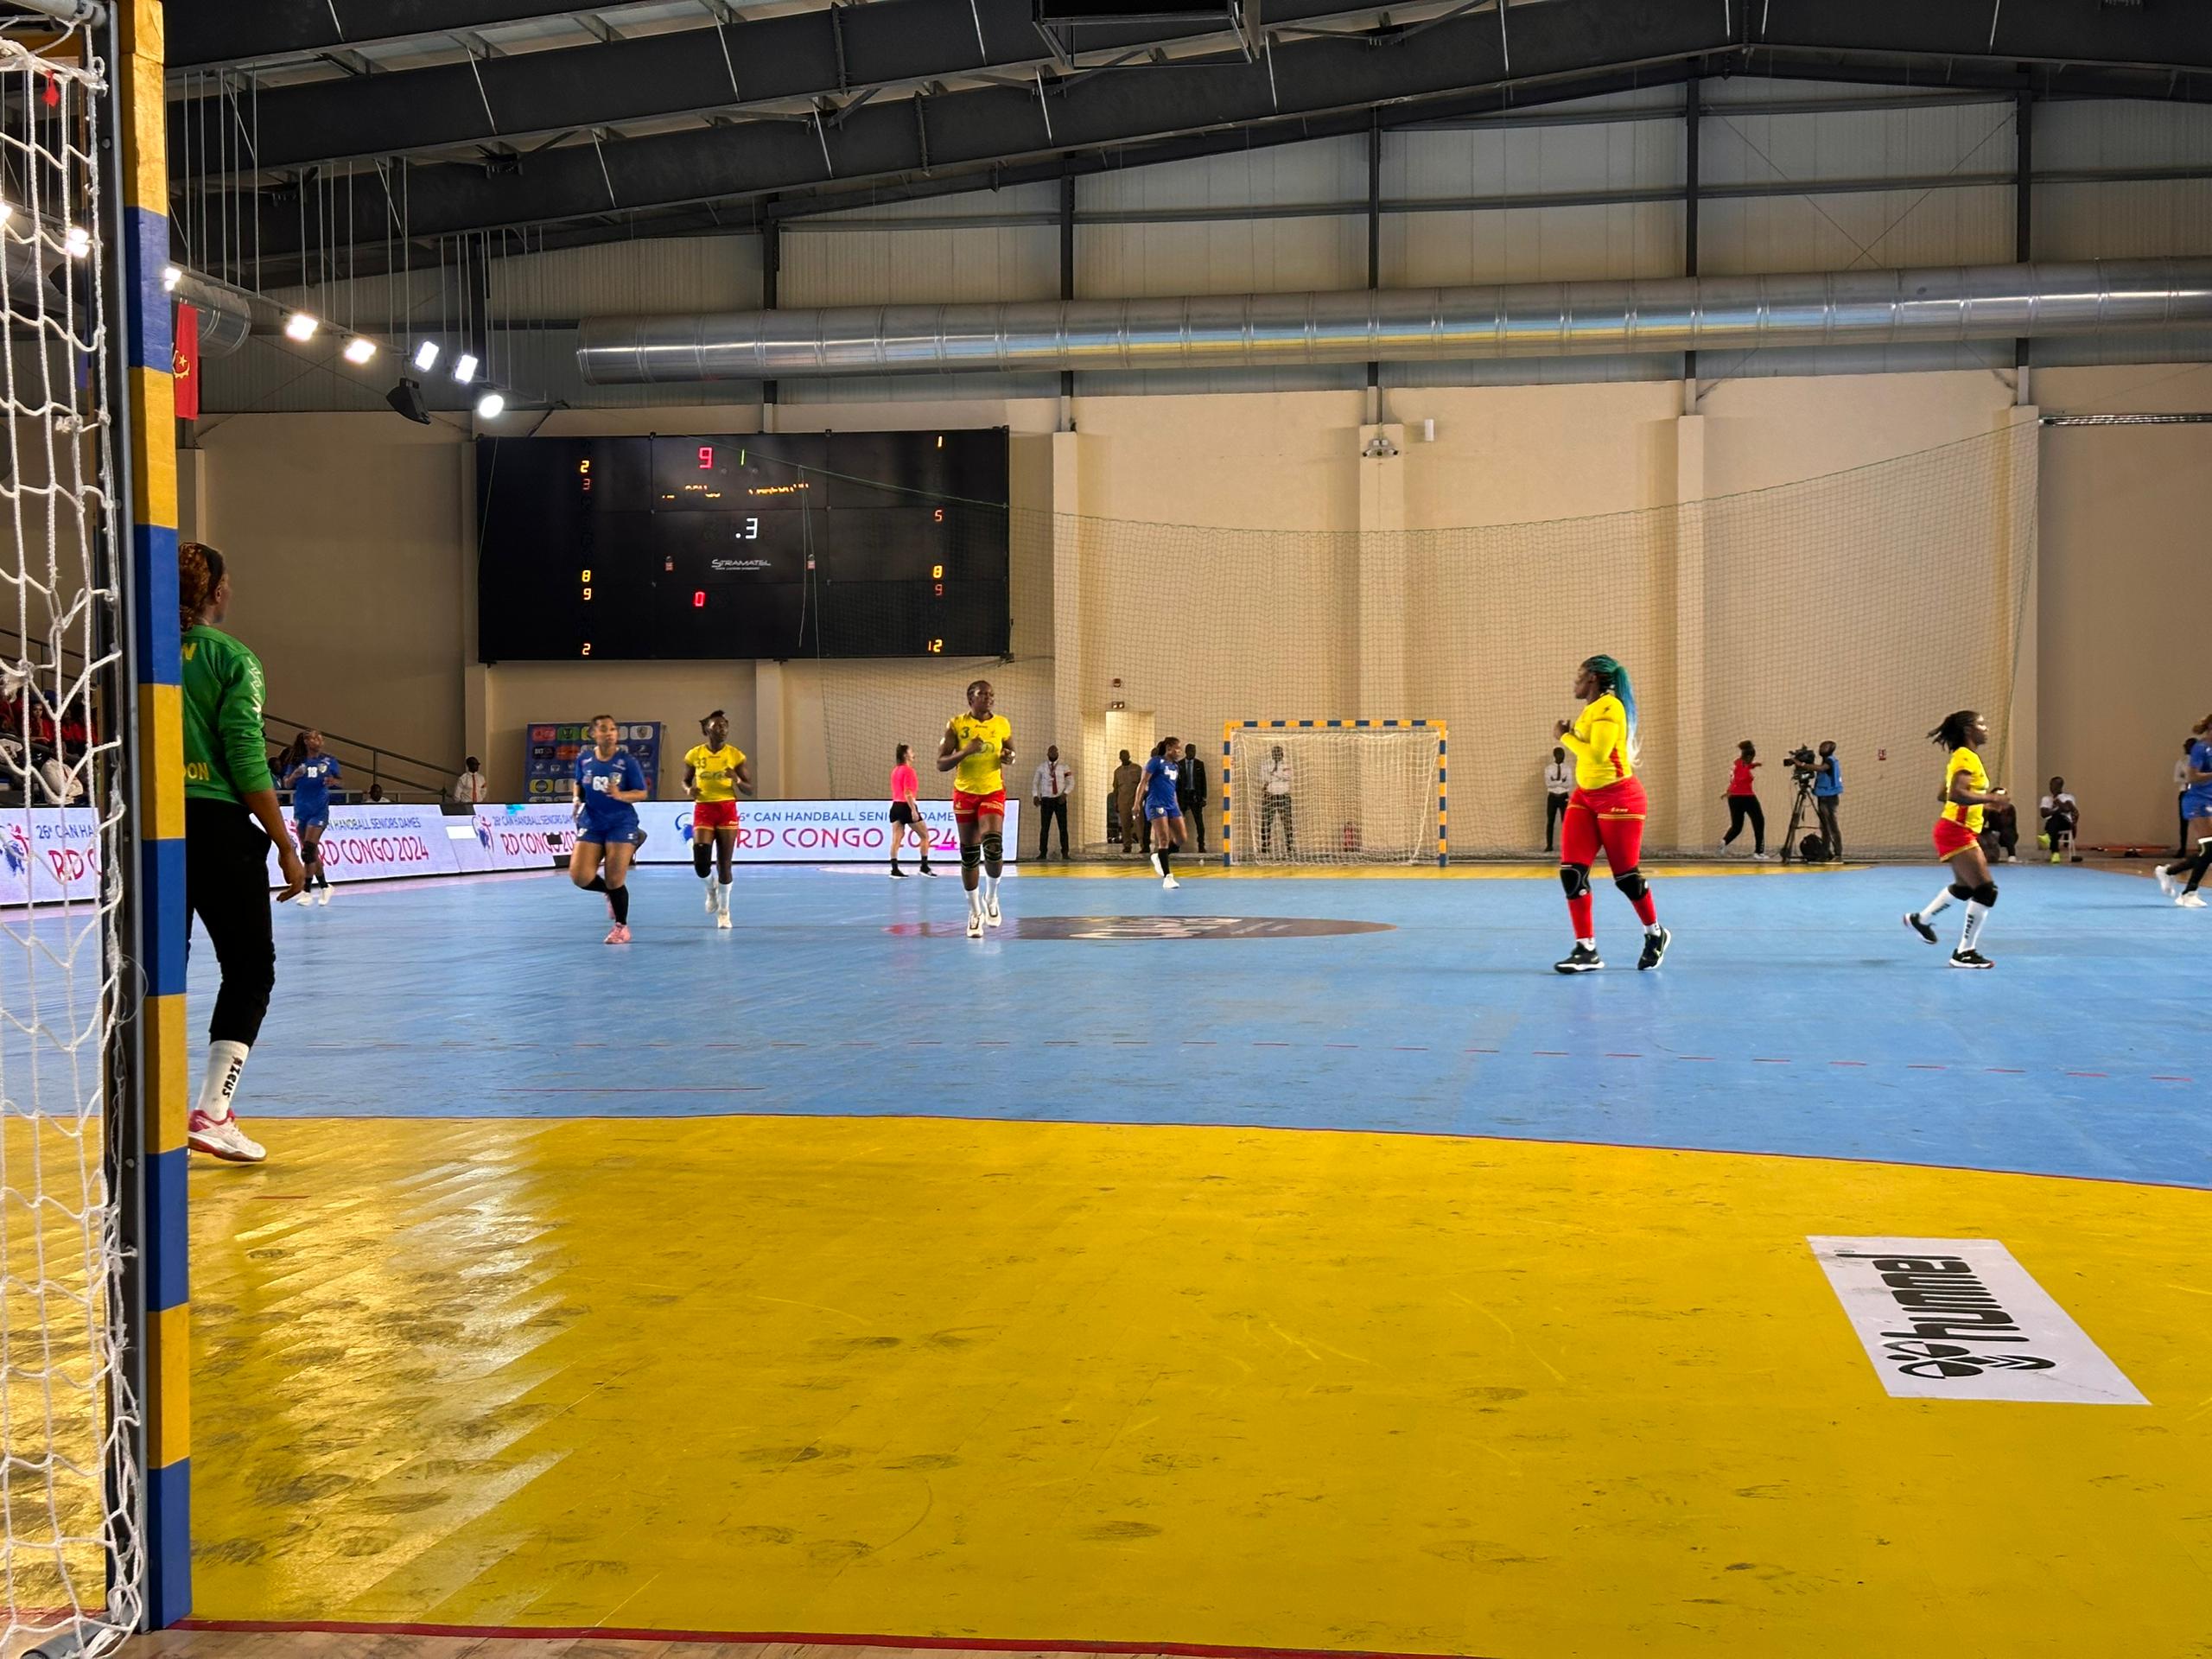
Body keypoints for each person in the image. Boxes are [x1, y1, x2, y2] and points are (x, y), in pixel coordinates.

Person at [179, 541, 307, 1164]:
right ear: (218, 592)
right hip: (216, 825)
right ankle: (212, 1111)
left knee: (155, 972)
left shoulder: (137, 655)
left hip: (148, 826)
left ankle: (137, 1107)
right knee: (251, 970)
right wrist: (285, 845)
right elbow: (246, 758)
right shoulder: (233, 659)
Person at [1553, 653, 1668, 973]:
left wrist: (1564, 737)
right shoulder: (1591, 709)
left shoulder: (1609, 707)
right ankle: (1586, 949)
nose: (1574, 681)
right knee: (1572, 872)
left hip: (1620, 797)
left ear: (1592, 677)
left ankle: (1654, 934)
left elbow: (1598, 754)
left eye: (1579, 675)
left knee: (1626, 877)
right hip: (1585, 797)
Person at [1903, 710, 2007, 968]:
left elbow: (1945, 794)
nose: (1987, 728)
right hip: (1955, 829)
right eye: (1981, 724)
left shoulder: (1963, 758)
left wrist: (1981, 805)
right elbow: (1957, 794)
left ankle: (1922, 919)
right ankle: (1964, 953)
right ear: (1968, 730)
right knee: (1985, 890)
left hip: (1957, 827)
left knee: (1965, 888)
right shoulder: (1965, 756)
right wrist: (1991, 798)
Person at [938, 678, 1014, 939]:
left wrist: (1008, 757)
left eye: (992, 694)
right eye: (983, 694)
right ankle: (974, 912)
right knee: (969, 855)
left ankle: (992, 896)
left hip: (992, 790)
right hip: (965, 793)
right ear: (971, 698)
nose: (989, 698)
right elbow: (941, 763)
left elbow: (1011, 753)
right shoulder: (956, 724)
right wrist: (966, 752)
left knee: (993, 845)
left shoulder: (1001, 723)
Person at [569, 714, 649, 943]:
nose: (610, 733)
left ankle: (621, 928)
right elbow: (578, 782)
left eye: (613, 729)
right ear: (594, 734)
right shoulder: (584, 759)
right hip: (592, 822)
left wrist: (619, 795)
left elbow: (642, 793)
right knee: (580, 877)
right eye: (604, 729)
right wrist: (576, 799)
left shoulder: (627, 762)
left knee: (615, 879)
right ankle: (608, 893)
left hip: (620, 823)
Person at [683, 709, 751, 928]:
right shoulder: (694, 754)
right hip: (704, 808)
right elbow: (685, 780)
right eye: (717, 726)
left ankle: (724, 911)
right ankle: (710, 890)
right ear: (706, 730)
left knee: (724, 863)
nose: (722, 729)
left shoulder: (735, 755)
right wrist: (688, 789)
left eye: (725, 726)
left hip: (726, 808)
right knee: (701, 861)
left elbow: (749, 789)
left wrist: (737, 779)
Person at [2156, 717, 2212, 907]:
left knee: (2209, 850)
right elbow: (2191, 776)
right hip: (2197, 801)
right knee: (2209, 848)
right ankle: (2189, 893)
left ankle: (2169, 872)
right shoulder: (2200, 748)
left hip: (2210, 800)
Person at [282, 729, 341, 906]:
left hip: (319, 810)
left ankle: (306, 892)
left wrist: (333, 782)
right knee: (311, 853)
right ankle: (325, 886)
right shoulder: (298, 762)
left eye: (321, 737)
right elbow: (286, 783)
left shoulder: (329, 761)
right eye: (315, 738)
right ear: (307, 741)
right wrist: (294, 776)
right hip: (301, 810)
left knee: (308, 849)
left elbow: (339, 780)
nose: (319, 740)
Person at [1141, 737, 1186, 890]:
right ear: (1168, 748)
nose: (1179, 751)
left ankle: (1159, 856)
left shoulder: (1175, 766)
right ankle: (1168, 877)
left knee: (1181, 838)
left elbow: (1172, 789)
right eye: (1177, 748)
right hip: (1156, 804)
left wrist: (1177, 807)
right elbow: (1143, 782)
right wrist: (1136, 804)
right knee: (1164, 839)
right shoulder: (1156, 762)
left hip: (1171, 805)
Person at [888, 743, 936, 878]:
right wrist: (913, 810)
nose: (913, 754)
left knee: (896, 839)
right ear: (905, 755)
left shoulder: (895, 770)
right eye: (911, 752)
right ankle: (924, 867)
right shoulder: (909, 771)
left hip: (895, 806)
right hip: (905, 806)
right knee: (925, 836)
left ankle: (894, 869)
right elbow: (908, 792)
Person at [1719, 740, 1769, 860]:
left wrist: (1754, 765)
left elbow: (1741, 769)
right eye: (1752, 759)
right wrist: (1730, 790)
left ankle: (1724, 842)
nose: (1752, 761)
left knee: (1737, 826)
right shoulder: (1743, 768)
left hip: (1734, 798)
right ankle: (1759, 852)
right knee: (1759, 822)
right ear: (1748, 756)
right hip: (1746, 797)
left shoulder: (1737, 762)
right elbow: (1740, 778)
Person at [1032, 744, 1071, 861]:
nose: (1053, 754)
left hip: (1060, 800)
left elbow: (1071, 782)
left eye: (1055, 752)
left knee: (1063, 827)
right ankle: (1042, 853)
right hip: (1046, 800)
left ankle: (1065, 853)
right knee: (1044, 828)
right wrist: (1035, 795)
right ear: (1047, 754)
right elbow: (1035, 782)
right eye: (1051, 752)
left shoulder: (1064, 767)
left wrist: (1065, 793)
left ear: (1058, 753)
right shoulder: (1041, 767)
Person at [1259, 743, 1294, 855]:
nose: (1277, 755)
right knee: (1266, 822)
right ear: (1272, 755)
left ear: (1282, 754)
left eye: (1279, 753)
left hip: (1284, 795)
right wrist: (1278, 775)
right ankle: (1265, 846)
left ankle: (1290, 846)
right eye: (1275, 753)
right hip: (1270, 795)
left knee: (1287, 822)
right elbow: (1265, 778)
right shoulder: (1266, 764)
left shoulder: (1287, 764)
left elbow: (1288, 776)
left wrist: (1274, 773)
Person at [1811, 740, 1843, 860]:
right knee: (1824, 826)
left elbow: (1821, 769)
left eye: (1824, 747)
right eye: (1820, 746)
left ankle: (1838, 853)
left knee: (1831, 825)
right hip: (1822, 796)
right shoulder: (1825, 760)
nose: (1821, 748)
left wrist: (1802, 764)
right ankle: (1825, 853)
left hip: (1829, 798)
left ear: (1830, 749)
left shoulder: (1830, 761)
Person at [2038, 776, 2080, 863]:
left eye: (2054, 785)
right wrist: (2057, 809)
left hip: (2065, 823)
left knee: (2057, 817)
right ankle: (2055, 854)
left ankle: (2051, 843)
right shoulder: (2046, 799)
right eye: (2051, 785)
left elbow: (2067, 809)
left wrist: (2057, 801)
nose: (2052, 787)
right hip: (2052, 824)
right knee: (2054, 820)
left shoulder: (2068, 797)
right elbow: (2043, 814)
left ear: (2060, 786)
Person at [1177, 743, 1209, 854]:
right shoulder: (1179, 764)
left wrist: (1204, 797)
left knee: (1199, 822)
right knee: (1178, 821)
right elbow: (1176, 783)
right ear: (1186, 752)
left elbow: (1203, 782)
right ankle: (1176, 846)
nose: (1193, 753)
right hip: (1183, 796)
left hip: (1195, 796)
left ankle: (1201, 845)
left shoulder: (1199, 764)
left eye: (1194, 751)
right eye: (1191, 751)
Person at [1112, 748, 1142, 855]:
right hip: (1123, 802)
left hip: (1135, 802)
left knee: (1139, 825)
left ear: (1129, 756)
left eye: (1125, 755)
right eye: (1122, 756)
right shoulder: (1117, 772)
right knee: (1125, 825)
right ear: (1120, 758)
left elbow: (1142, 785)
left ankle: (1143, 845)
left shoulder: (1137, 769)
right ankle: (1127, 846)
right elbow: (1115, 788)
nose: (1123, 758)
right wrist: (1116, 802)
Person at [1542, 746, 1572, 853]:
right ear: (1555, 756)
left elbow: (1568, 783)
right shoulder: (1549, 768)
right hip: (1552, 797)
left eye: (1563, 755)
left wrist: (1556, 782)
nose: (1562, 757)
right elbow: (1548, 783)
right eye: (1559, 755)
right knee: (1550, 821)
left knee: (1566, 822)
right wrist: (1561, 782)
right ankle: (1549, 845)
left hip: (1564, 796)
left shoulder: (1567, 768)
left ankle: (1567, 845)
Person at [2177, 737, 2198, 858]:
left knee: (2200, 822)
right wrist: (2188, 779)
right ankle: (2182, 848)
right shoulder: (2182, 761)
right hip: (2185, 792)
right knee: (2183, 822)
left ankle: (2202, 848)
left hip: (2199, 793)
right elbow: (2177, 777)